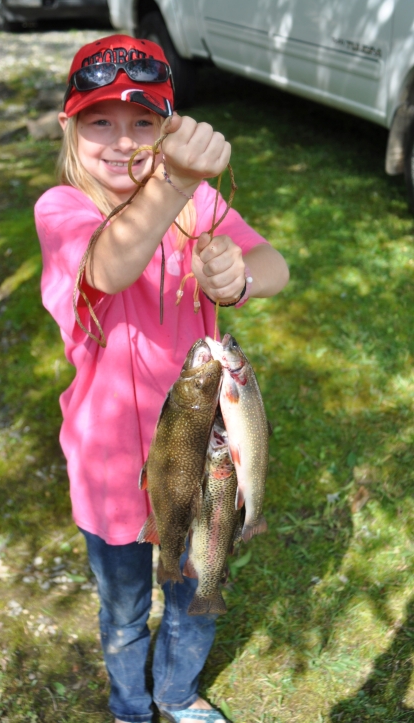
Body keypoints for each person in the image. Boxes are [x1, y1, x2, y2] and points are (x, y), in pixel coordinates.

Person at [34, 34, 289, 723]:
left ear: (170, 127)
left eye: (144, 121)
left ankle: (177, 692)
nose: (122, 141)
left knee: (193, 597)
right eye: (100, 122)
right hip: (111, 469)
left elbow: (274, 263)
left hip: (204, 461)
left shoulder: (196, 206)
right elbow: (109, 267)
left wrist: (239, 278)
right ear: (70, 127)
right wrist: (173, 179)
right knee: (122, 613)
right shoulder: (63, 211)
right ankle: (130, 704)